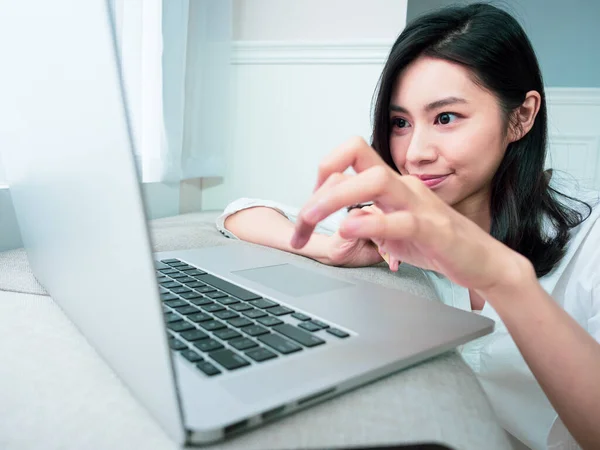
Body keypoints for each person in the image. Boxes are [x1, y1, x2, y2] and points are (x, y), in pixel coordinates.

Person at [215, 4, 600, 449]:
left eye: (446, 118)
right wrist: (327, 248)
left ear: (521, 117)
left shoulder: (588, 240)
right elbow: (241, 212)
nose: (415, 153)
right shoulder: (396, 221)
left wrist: (501, 275)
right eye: (400, 123)